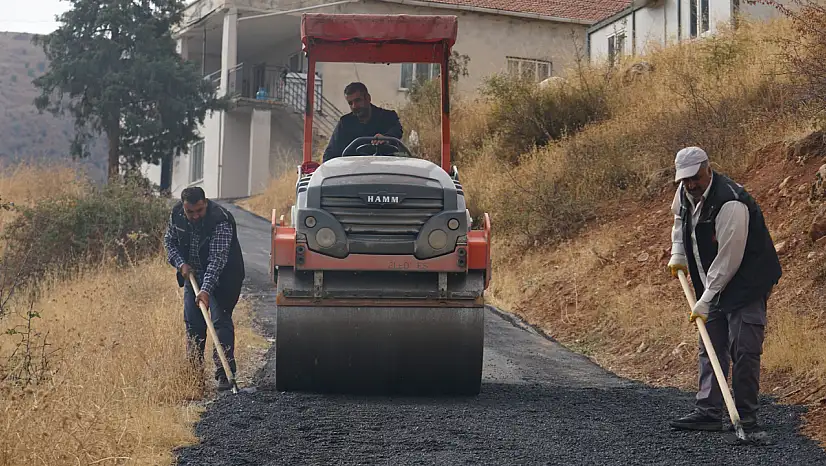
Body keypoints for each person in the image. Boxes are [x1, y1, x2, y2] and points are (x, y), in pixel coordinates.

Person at [666, 146, 782, 432]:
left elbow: (729, 259)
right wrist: (678, 253)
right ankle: (708, 411)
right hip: (712, 277)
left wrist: (705, 299)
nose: (691, 184)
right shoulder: (684, 192)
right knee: (711, 343)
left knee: (744, 347)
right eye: (685, 179)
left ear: (708, 168)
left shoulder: (730, 202)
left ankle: (745, 416)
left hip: (747, 280)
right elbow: (680, 219)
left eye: (695, 177)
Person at [163, 187, 245, 391]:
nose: (195, 216)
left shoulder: (221, 220)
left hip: (225, 277)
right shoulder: (176, 215)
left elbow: (217, 261)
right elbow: (169, 242)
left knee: (220, 321)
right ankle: (194, 376)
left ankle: (225, 375)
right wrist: (181, 264)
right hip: (193, 275)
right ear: (184, 207)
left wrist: (206, 290)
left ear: (205, 203)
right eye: (190, 212)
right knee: (194, 325)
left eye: (199, 210)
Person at [322, 82, 403, 162]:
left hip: (384, 168)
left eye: (358, 100)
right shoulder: (345, 123)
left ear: (368, 98)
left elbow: (397, 131)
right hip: (354, 171)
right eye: (350, 103)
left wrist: (386, 138)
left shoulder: (388, 117)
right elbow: (330, 153)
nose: (354, 106)